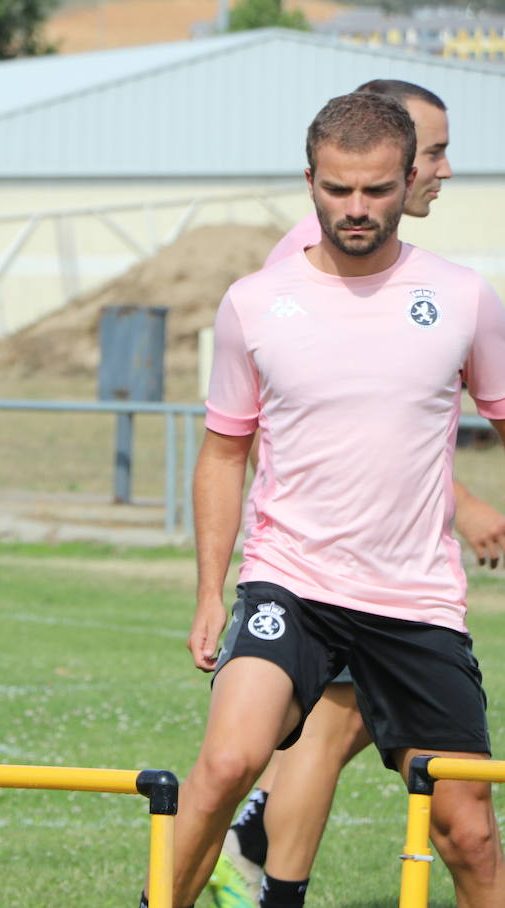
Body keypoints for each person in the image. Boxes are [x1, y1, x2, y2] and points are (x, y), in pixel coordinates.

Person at [143, 91, 505, 908]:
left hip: (416, 600)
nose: (357, 208)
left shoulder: (464, 298)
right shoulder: (255, 301)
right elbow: (224, 451)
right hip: (291, 582)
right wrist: (209, 590)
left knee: (469, 833)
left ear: (407, 179)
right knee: (231, 761)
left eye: (377, 190)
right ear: (310, 179)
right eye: (338, 190)